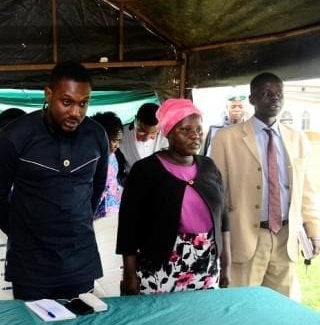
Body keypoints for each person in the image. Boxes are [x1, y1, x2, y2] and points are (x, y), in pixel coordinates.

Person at [0, 61, 108, 300]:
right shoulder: (16, 135)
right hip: (31, 264)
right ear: (48, 94)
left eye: (83, 103)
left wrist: (76, 223)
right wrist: (21, 232)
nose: (76, 113)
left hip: (80, 259)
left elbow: (97, 188)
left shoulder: (96, 135)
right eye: (67, 102)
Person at [210, 72, 320, 297]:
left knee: (284, 310)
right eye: (267, 93)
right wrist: (219, 240)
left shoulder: (297, 138)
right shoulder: (226, 139)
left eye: (279, 93)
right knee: (242, 307)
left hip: (286, 238)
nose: (275, 98)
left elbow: (307, 190)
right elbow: (216, 194)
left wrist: (314, 231)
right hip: (246, 237)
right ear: (252, 99)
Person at [117, 98, 231, 295]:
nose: (195, 136)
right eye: (185, 130)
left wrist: (226, 264)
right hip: (160, 263)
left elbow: (224, 219)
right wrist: (129, 274)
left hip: (206, 262)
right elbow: (128, 226)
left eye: (198, 130)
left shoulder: (209, 167)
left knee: (200, 319)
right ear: (168, 132)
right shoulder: (145, 170)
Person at [118, 103, 168, 178]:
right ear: (136, 119)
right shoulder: (121, 135)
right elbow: (119, 171)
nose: (146, 138)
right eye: (142, 131)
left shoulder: (168, 137)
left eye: (153, 133)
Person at [91, 111, 124, 218]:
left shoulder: (112, 155)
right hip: (99, 215)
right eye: (114, 140)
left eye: (119, 141)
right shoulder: (90, 160)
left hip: (113, 209)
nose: (117, 146)